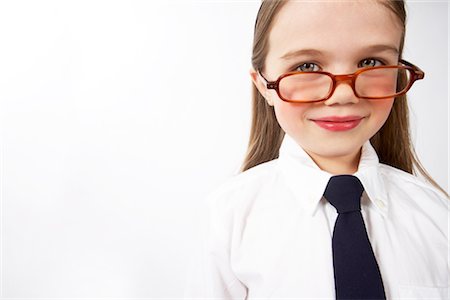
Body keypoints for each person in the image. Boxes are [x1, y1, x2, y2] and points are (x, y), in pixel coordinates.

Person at [184, 0, 449, 298]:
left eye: (371, 62)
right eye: (306, 66)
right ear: (262, 85)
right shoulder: (228, 220)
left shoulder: (437, 216)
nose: (344, 95)